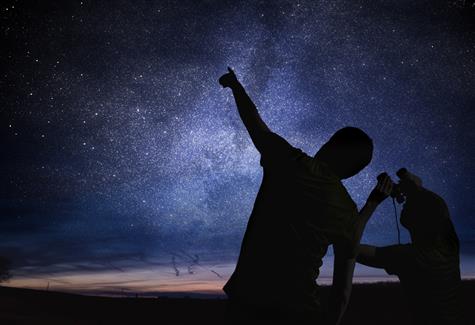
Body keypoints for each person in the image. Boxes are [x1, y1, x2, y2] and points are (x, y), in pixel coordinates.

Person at [219, 67, 393, 324]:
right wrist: (373, 202)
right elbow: (342, 292)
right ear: (354, 172)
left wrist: (236, 86)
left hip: (247, 304)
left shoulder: (289, 162)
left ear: (329, 145)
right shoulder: (346, 210)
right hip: (301, 311)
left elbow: (253, 121)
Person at [357, 169, 461, 325]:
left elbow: (349, 247)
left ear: (413, 220)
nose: (405, 203)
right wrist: (414, 188)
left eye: (408, 204)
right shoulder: (450, 245)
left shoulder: (411, 257)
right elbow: (435, 205)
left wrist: (373, 202)